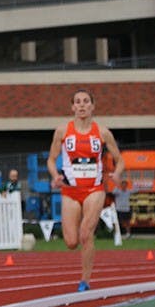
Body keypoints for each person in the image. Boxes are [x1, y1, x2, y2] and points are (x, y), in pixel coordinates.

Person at [46, 88, 125, 291]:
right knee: (71, 242)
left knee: (85, 233)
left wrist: (117, 174)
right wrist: (55, 175)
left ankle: (85, 280)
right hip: (70, 192)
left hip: (94, 189)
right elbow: (51, 160)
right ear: (73, 106)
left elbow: (120, 159)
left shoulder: (102, 132)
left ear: (92, 106)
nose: (82, 105)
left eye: (86, 101)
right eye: (78, 102)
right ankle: (84, 272)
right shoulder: (62, 131)